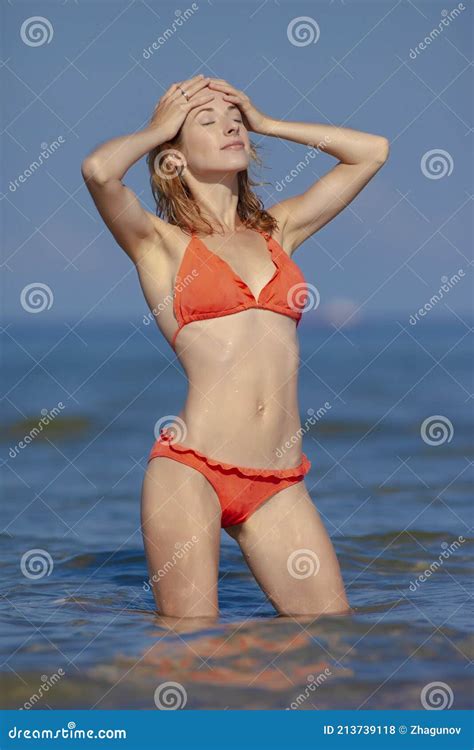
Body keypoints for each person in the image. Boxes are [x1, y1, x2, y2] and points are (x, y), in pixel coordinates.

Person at [81, 74, 389, 619]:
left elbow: (370, 153)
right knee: (187, 643)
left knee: (331, 640)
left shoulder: (279, 231)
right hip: (192, 470)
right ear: (172, 160)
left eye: (235, 122)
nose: (230, 128)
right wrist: (156, 130)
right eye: (206, 122)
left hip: (277, 481)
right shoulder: (160, 245)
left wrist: (267, 121)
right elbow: (100, 172)